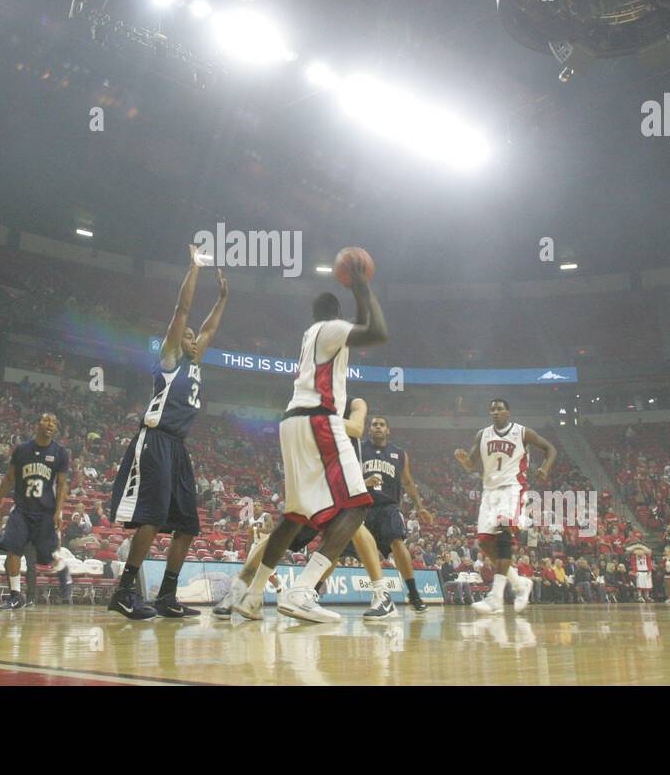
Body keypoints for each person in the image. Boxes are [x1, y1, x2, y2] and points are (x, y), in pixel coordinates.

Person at [217, 258, 388, 624]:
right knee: (357, 505)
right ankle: (303, 591)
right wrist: (360, 283)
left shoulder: (312, 335)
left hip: (292, 421)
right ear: (337, 316)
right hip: (317, 419)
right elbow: (377, 332)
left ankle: (251, 596)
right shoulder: (330, 329)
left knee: (294, 517)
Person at [107, 249, 228, 620]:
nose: (193, 337)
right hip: (155, 440)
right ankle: (124, 591)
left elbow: (207, 328)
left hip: (178, 447)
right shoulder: (171, 359)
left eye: (193, 338)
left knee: (188, 525)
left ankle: (167, 595)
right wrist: (194, 269)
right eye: (186, 336)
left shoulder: (196, 358)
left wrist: (223, 298)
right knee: (152, 518)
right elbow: (183, 311)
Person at [453, 398, 556, 614]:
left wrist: (545, 468)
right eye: (492, 409)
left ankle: (496, 597)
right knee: (485, 545)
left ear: (508, 412)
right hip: (489, 491)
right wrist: (464, 461)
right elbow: (472, 464)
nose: (495, 412)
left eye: (500, 408)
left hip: (512, 487)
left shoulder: (522, 432)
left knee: (503, 533)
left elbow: (550, 449)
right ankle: (520, 584)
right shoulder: (482, 435)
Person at [0, 412, 71, 610]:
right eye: (46, 419)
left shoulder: (60, 453)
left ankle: (63, 571)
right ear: (37, 424)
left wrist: (58, 511)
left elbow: (61, 485)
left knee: (47, 556)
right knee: (12, 549)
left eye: (54, 421)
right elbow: (9, 478)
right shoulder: (22, 450)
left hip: (45, 511)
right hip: (22, 509)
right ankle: (16, 596)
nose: (50, 423)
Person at [359, 415, 434, 612]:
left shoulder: (399, 453)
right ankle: (314, 589)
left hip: (388, 506)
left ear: (388, 430)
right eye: (374, 424)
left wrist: (420, 507)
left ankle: (414, 593)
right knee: (340, 547)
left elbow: (408, 482)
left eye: (382, 425)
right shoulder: (358, 449)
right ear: (369, 429)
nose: (378, 427)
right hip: (361, 507)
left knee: (398, 542)